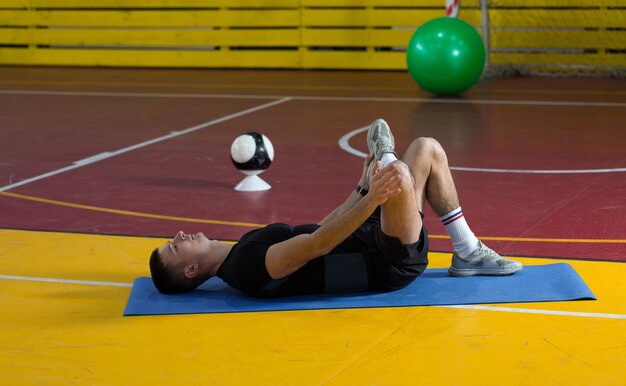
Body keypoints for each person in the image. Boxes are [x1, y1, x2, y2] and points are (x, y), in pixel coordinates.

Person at [149, 119, 522, 297]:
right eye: (175, 247)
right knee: (399, 173)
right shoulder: (246, 269)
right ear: (192, 270)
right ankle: (388, 161)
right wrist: (374, 198)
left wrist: (360, 188)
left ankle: (468, 251)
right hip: (385, 264)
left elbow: (316, 229)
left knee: (427, 147)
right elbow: (319, 246)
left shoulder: (241, 245)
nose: (179, 236)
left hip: (367, 237)